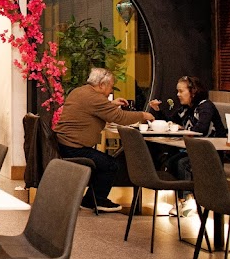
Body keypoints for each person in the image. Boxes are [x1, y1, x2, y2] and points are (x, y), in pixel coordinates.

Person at [54, 67, 155, 212]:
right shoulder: (94, 98)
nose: (111, 90)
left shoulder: (79, 91)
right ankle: (96, 200)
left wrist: (111, 105)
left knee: (103, 163)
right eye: (110, 86)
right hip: (74, 147)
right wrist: (143, 115)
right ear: (101, 85)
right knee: (110, 165)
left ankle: (90, 200)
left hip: (63, 144)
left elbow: (91, 107)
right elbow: (120, 117)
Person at [148, 75, 224, 216]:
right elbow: (170, 121)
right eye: (178, 91)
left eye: (181, 91)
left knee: (182, 163)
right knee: (170, 161)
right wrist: (157, 111)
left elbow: (200, 129)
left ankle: (190, 199)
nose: (178, 94)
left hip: (211, 152)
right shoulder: (185, 108)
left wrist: (181, 129)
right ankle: (182, 200)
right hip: (193, 150)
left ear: (193, 91)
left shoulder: (206, 106)